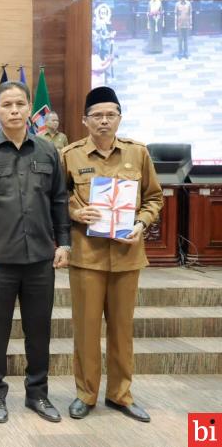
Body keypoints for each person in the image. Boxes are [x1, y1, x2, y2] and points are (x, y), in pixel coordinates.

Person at [0, 81, 71, 424]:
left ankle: (38, 394)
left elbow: (59, 200)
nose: (13, 110)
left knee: (39, 331)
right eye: (6, 104)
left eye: (20, 104)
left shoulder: (48, 152)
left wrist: (64, 242)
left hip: (40, 258)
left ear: (29, 110)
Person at [61, 86, 163, 423]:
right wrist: (75, 213)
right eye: (97, 115)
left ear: (119, 117)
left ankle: (120, 395)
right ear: (84, 120)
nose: (104, 121)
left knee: (122, 329)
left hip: (127, 255)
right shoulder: (70, 155)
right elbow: (56, 199)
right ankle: (86, 394)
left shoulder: (139, 154)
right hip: (87, 257)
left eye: (110, 115)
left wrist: (141, 222)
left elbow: (154, 198)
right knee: (87, 330)